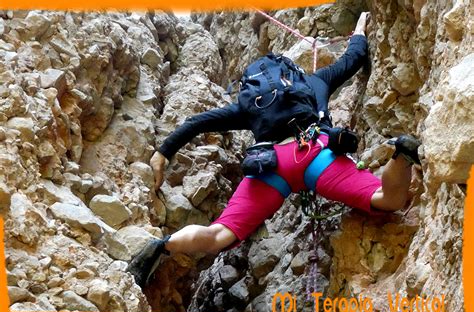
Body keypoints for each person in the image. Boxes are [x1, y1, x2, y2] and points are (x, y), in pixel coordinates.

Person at [127, 12, 421, 288]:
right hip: (316, 153)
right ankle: (401, 154)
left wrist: (162, 153)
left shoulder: (247, 105)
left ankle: (162, 246)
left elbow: (196, 123)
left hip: (270, 166)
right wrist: (358, 31)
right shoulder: (313, 82)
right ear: (290, 73)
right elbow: (353, 58)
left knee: (218, 235)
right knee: (387, 199)